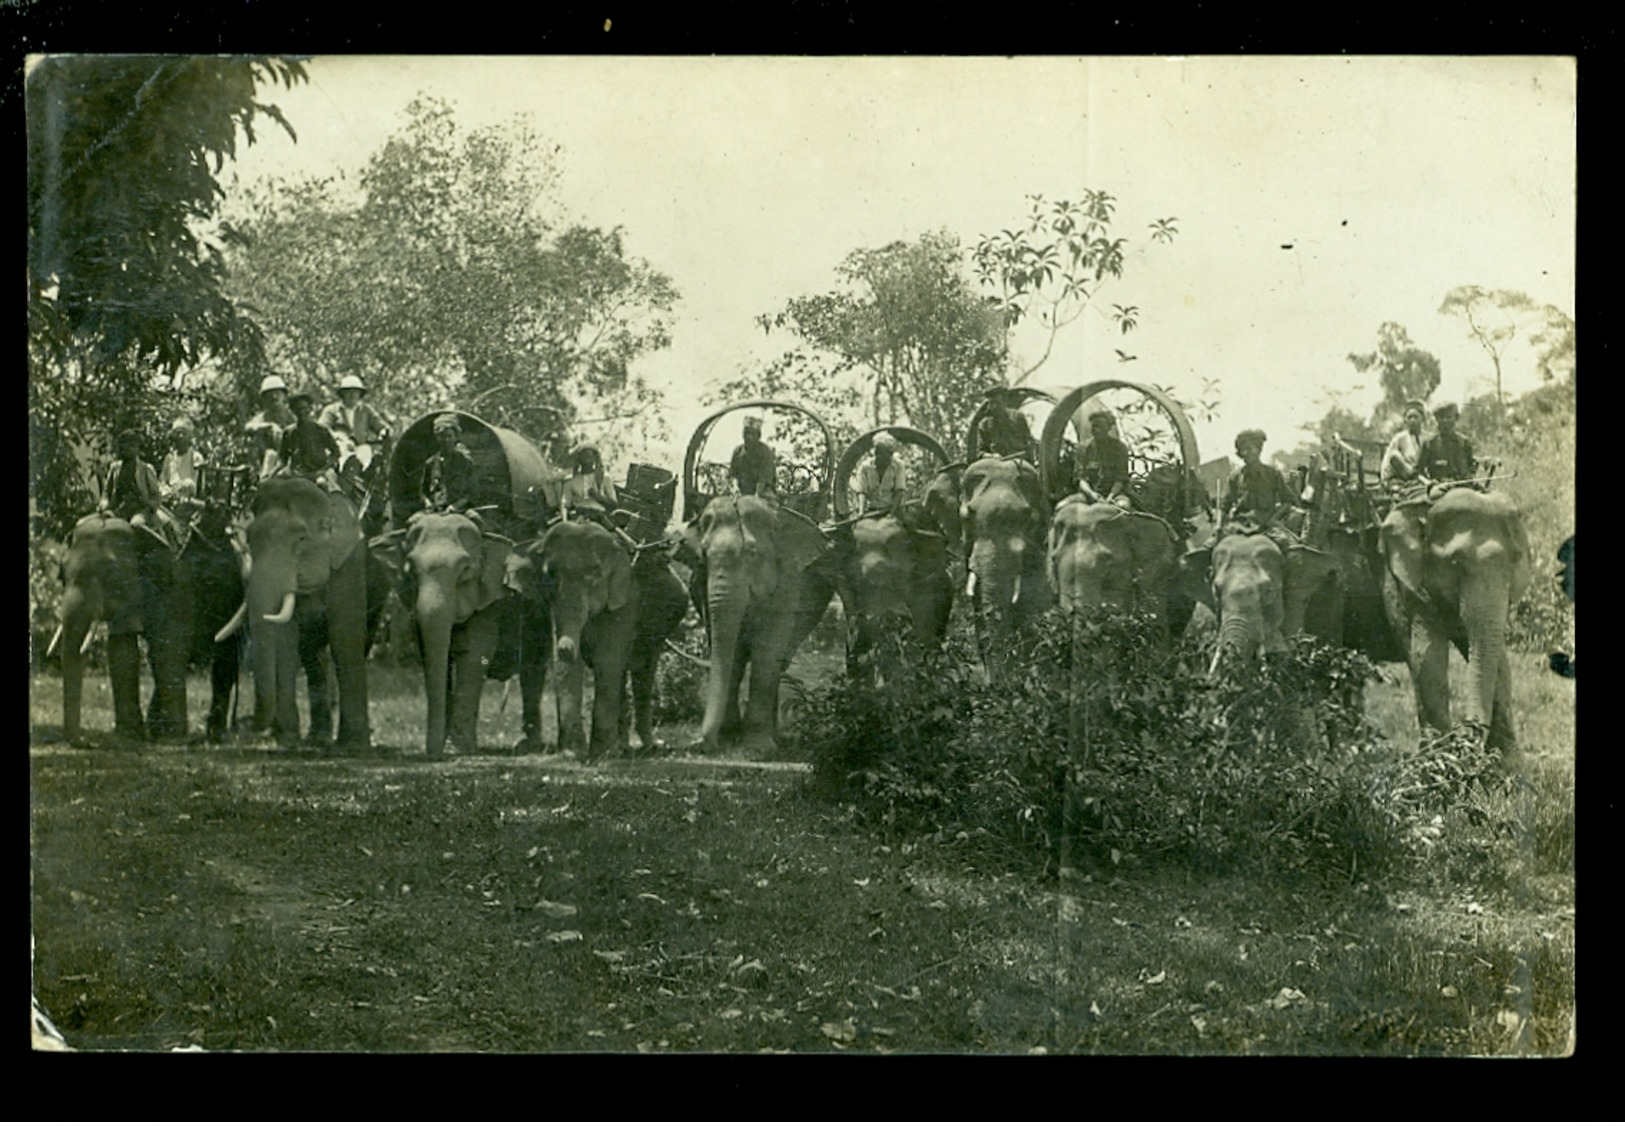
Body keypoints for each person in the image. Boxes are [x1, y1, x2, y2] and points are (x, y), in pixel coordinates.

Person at [1219, 429, 1297, 543]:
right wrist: (1219, 526)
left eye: (1249, 449)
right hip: (1239, 526)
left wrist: (1274, 519)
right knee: (1210, 549)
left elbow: (1288, 501)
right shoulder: (1235, 476)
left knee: (1290, 548)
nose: (1245, 453)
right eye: (1242, 450)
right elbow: (1224, 506)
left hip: (1266, 526)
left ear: (1259, 450)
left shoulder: (1272, 474)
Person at [318, 374, 392, 476]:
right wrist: (338, 438)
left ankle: (363, 477)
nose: (352, 395)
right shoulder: (332, 410)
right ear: (342, 394)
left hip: (360, 447)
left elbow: (380, 425)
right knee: (342, 460)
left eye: (356, 392)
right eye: (348, 392)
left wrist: (383, 432)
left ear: (360, 394)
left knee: (366, 456)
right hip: (338, 447)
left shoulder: (365, 410)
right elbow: (321, 428)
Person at [279, 390, 342, 488]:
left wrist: (324, 469)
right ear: (293, 411)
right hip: (298, 472)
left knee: (322, 484)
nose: (301, 412)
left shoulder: (321, 430)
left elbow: (336, 453)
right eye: (297, 409)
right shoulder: (289, 432)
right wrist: (280, 471)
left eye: (304, 408)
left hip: (319, 471)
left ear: (310, 409)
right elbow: (283, 457)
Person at [421, 412, 479, 511]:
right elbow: (424, 491)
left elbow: (472, 493)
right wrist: (428, 503)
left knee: (476, 520)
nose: (446, 440)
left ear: (456, 437)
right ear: (437, 438)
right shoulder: (430, 463)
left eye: (449, 436)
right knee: (413, 522)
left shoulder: (466, 462)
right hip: (435, 510)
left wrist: (456, 506)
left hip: (460, 510)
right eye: (442, 436)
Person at [1074, 410, 1133, 506]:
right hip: (1088, 494)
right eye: (1094, 426)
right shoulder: (1084, 448)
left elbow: (1121, 478)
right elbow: (1080, 478)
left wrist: (1110, 497)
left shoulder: (1119, 448)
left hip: (1115, 494)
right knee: (1063, 506)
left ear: (1108, 427)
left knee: (1123, 506)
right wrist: (1091, 494)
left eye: (1100, 426)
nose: (1096, 430)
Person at [245, 375, 297, 480]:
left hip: (291, 459)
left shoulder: (291, 416)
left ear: (284, 396)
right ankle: (263, 482)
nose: (274, 397)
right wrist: (269, 426)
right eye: (270, 394)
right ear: (264, 399)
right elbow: (248, 427)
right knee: (271, 454)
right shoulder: (264, 417)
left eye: (277, 393)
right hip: (270, 459)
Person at [1418, 402, 1476, 486]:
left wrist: (1468, 477)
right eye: (1441, 418)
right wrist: (1429, 482)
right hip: (1439, 488)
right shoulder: (1429, 444)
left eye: (1449, 417)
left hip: (1463, 487)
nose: (1445, 421)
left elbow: (1471, 467)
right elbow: (1419, 472)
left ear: (1456, 418)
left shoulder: (1464, 442)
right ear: (1437, 420)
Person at [855, 431, 905, 513]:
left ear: (890, 454)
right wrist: (861, 512)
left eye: (883, 453)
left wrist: (892, 513)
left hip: (891, 509)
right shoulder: (865, 467)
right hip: (871, 510)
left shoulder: (898, 466)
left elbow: (899, 491)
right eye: (877, 452)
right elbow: (862, 491)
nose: (879, 456)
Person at [976, 389, 1034, 458]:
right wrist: (992, 456)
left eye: (997, 403)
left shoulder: (1017, 417)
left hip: (1019, 460)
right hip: (995, 462)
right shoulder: (984, 425)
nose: (994, 407)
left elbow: (1028, 442)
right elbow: (980, 452)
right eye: (991, 403)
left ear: (1004, 402)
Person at [729, 415, 778, 497]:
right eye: (746, 433)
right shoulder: (738, 451)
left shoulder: (765, 451)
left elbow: (765, 477)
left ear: (758, 436)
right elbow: (733, 474)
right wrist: (735, 488)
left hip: (762, 491)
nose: (748, 437)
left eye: (752, 434)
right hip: (741, 491)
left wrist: (757, 494)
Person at [1380, 400, 1426, 485]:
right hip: (1403, 476)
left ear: (1422, 418)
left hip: (1423, 475)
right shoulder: (1399, 438)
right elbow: (1390, 460)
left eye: (1416, 417)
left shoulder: (1427, 437)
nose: (1412, 420)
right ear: (1405, 420)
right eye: (1409, 417)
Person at [562, 444, 619, 511]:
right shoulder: (571, 481)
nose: (587, 460)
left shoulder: (605, 478)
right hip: (578, 515)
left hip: (599, 516)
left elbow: (614, 505)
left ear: (595, 458)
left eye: (590, 456)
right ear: (579, 459)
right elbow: (566, 505)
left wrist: (597, 496)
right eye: (584, 457)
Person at [159, 416, 200, 507]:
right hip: (170, 496)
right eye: (177, 433)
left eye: (184, 433)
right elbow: (163, 480)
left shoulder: (195, 457)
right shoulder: (169, 458)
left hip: (188, 497)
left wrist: (183, 486)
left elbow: (196, 484)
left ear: (189, 437)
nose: (180, 436)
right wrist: (167, 490)